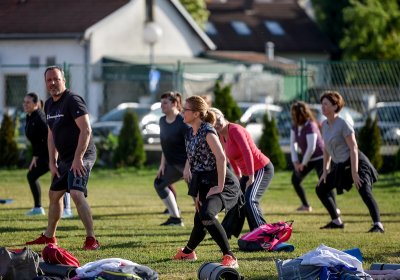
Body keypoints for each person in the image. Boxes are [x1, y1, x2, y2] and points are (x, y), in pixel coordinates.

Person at [26, 65, 100, 249]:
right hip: (65, 159)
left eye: (56, 79)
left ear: (63, 80)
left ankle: (92, 239)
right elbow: (51, 135)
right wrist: (52, 161)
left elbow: (86, 130)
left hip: (83, 155)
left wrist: (78, 158)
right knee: (54, 195)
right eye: (49, 80)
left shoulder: (73, 100)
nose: (52, 83)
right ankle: (49, 237)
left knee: (75, 193)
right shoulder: (49, 104)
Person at [173, 96, 241, 268]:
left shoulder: (207, 130)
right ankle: (188, 252)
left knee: (207, 215)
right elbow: (195, 164)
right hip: (204, 182)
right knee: (200, 219)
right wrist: (196, 192)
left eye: (185, 110)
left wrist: (219, 186)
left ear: (196, 114)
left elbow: (221, 158)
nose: (182, 112)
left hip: (224, 183)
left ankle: (230, 256)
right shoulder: (189, 132)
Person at [316, 91, 384, 233]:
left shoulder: (343, 124)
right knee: (321, 188)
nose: (323, 107)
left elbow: (353, 148)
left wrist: (355, 173)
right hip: (341, 166)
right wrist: (325, 171)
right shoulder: (324, 124)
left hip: (356, 162)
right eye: (322, 104)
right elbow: (326, 150)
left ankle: (378, 225)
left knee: (364, 190)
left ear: (335, 106)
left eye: (326, 104)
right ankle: (336, 221)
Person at [210, 108, 273, 232]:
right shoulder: (222, 135)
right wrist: (238, 175)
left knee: (251, 200)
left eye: (218, 119)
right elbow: (230, 156)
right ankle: (226, 232)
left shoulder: (235, 129)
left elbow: (246, 151)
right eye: (213, 122)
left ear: (223, 116)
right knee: (236, 199)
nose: (216, 124)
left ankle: (264, 233)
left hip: (261, 169)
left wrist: (250, 177)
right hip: (247, 173)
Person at [23, 92, 74, 218]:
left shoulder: (40, 119)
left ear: (36, 104)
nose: (25, 104)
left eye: (28, 102)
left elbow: (50, 137)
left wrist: (55, 158)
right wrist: (35, 156)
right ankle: (38, 208)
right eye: (24, 102)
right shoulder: (29, 117)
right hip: (43, 155)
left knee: (60, 179)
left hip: (53, 154)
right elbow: (36, 141)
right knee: (32, 176)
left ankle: (67, 210)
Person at [155, 91, 189, 226]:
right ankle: (175, 218)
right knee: (159, 184)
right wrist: (162, 165)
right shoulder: (162, 121)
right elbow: (165, 144)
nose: (162, 105)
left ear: (174, 103)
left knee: (197, 195)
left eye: (165, 103)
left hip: (187, 165)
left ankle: (208, 221)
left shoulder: (183, 121)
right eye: (161, 102)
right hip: (172, 165)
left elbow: (191, 147)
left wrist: (188, 168)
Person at [290, 101, 327, 212]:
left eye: (296, 113)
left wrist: (303, 164)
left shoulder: (311, 125)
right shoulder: (295, 126)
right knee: (295, 179)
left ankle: (335, 208)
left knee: (324, 181)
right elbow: (293, 143)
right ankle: (306, 206)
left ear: (304, 113)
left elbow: (312, 147)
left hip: (320, 157)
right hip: (308, 158)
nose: (294, 116)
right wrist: (295, 162)